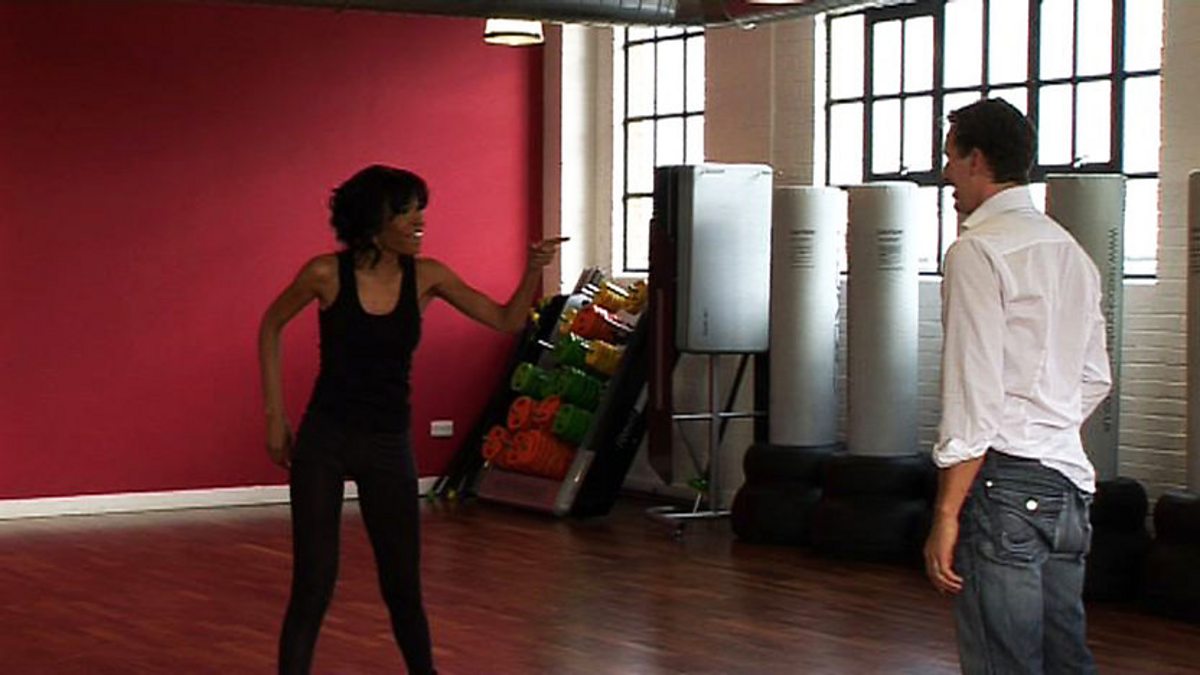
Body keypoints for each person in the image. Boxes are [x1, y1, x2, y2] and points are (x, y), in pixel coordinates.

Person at [258, 164, 564, 674]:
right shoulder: (325, 274)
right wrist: (275, 415)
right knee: (313, 584)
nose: (420, 221)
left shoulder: (428, 276)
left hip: (387, 444)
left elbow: (505, 320)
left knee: (402, 586)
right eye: (406, 212)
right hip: (325, 439)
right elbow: (271, 325)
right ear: (374, 220)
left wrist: (534, 270)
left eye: (421, 210)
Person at [923, 99, 1112, 674]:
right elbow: (1095, 377)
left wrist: (947, 512)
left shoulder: (977, 250)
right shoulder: (1070, 252)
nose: (946, 173)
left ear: (977, 160)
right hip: (1068, 486)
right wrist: (1046, 422)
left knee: (1004, 663)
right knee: (1064, 661)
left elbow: (972, 393)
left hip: (1004, 486)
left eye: (951, 157)